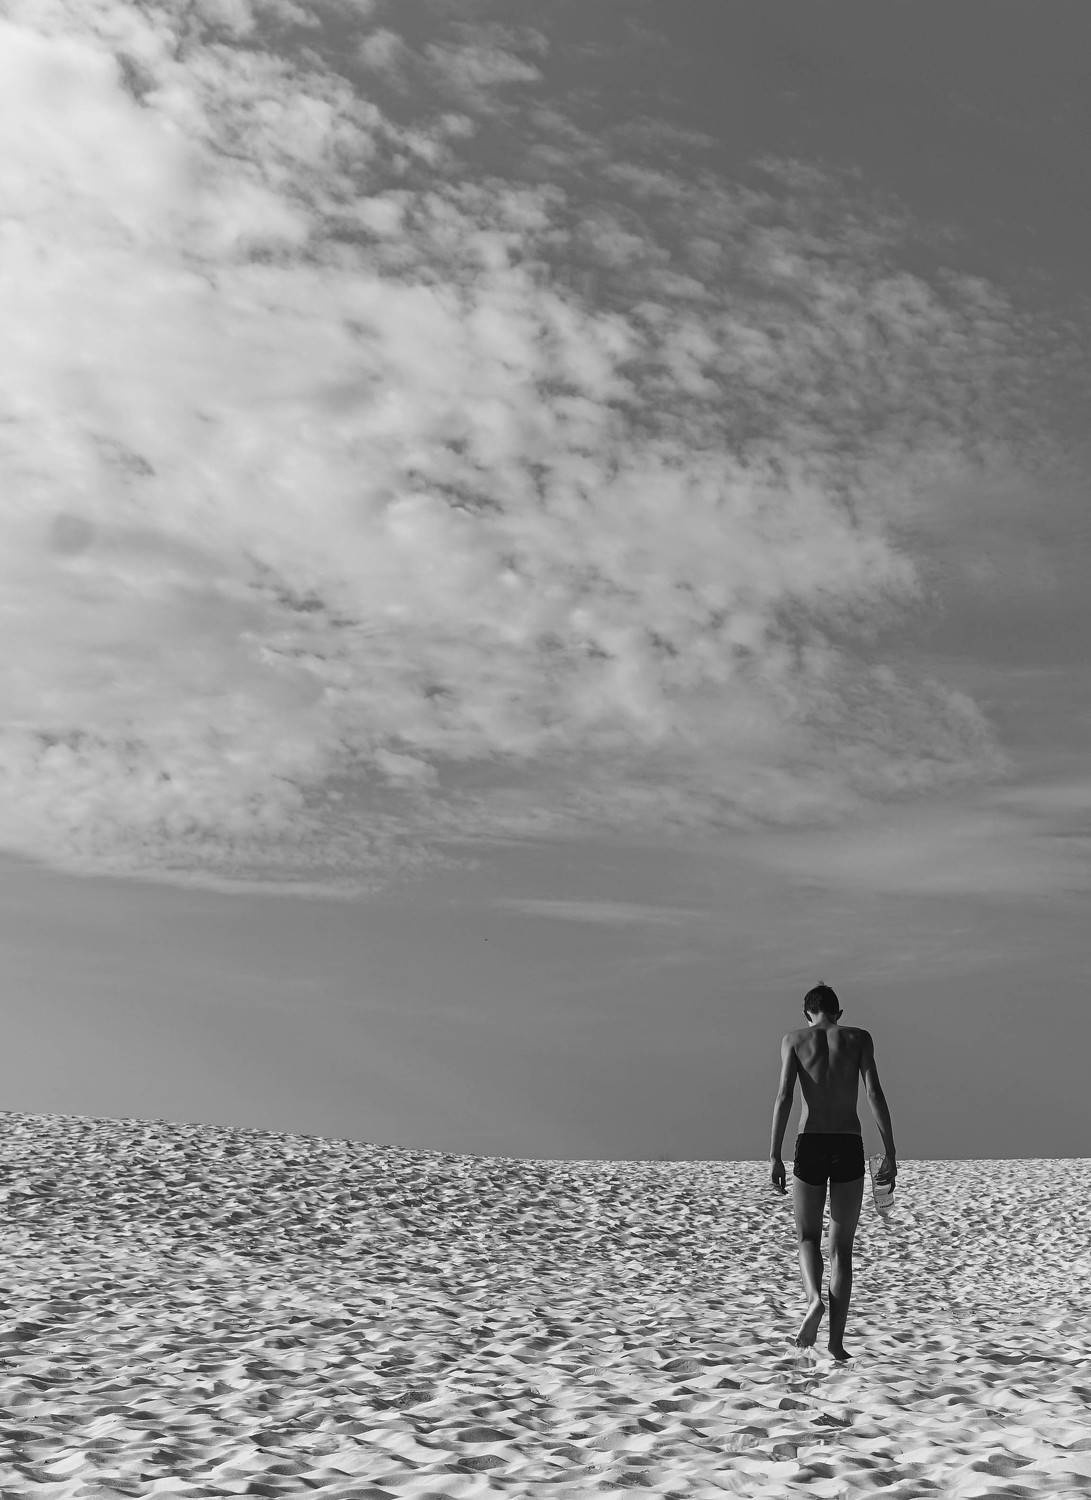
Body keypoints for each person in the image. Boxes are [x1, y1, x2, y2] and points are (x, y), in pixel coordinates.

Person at [768, 981, 897, 1361]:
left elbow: (784, 1096)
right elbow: (874, 1093)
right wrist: (890, 1150)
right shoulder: (858, 1038)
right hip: (847, 1142)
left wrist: (774, 1155)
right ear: (839, 1013)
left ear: (806, 1013)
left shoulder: (793, 1040)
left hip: (810, 1142)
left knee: (808, 1237)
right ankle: (836, 1344)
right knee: (841, 1249)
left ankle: (813, 1300)